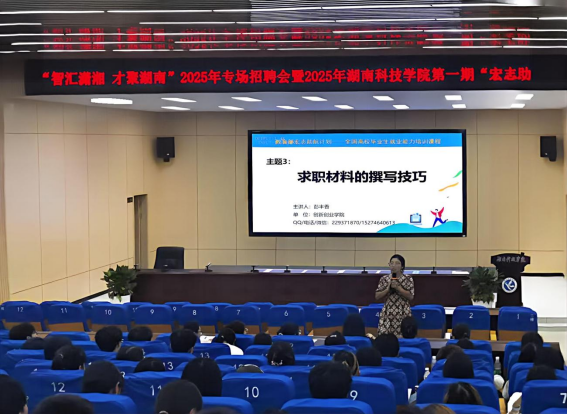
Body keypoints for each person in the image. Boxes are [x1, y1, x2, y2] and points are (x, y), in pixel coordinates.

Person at [375, 255, 415, 336]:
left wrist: (398, 288)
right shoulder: (384, 279)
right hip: (387, 312)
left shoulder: (408, 278)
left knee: (402, 336)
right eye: (392, 263)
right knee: (385, 337)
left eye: (397, 263)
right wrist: (387, 289)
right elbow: (377, 296)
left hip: (403, 312)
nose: (394, 265)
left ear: (402, 266)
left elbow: (411, 296)